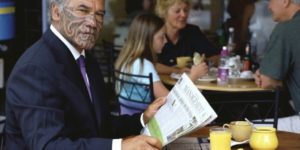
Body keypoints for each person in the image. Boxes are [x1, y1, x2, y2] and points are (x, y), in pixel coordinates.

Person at [5, 0, 166, 149]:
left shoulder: (85, 57)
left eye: (99, 14)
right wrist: (120, 146)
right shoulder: (35, 69)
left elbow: (99, 125)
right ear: (56, 12)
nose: (93, 23)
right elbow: (50, 146)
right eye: (83, 10)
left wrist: (142, 119)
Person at [115, 13, 207, 115]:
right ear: (147, 40)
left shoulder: (130, 60)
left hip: (127, 118)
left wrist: (177, 70)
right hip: (144, 124)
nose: (166, 41)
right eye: (161, 36)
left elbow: (155, 67)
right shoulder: (145, 65)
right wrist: (192, 77)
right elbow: (171, 102)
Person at [255, 0, 300, 133]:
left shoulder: (286, 29)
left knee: (244, 130)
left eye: (270, 0)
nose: (268, 6)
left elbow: (267, 82)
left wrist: (266, 75)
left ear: (285, 1)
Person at [154, 0, 219, 75]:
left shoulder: (193, 32)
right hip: (162, 85)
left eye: (185, 10)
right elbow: (146, 63)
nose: (183, 15)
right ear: (164, 12)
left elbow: (217, 57)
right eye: (177, 11)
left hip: (192, 85)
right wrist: (177, 71)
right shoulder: (155, 33)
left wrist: (205, 62)